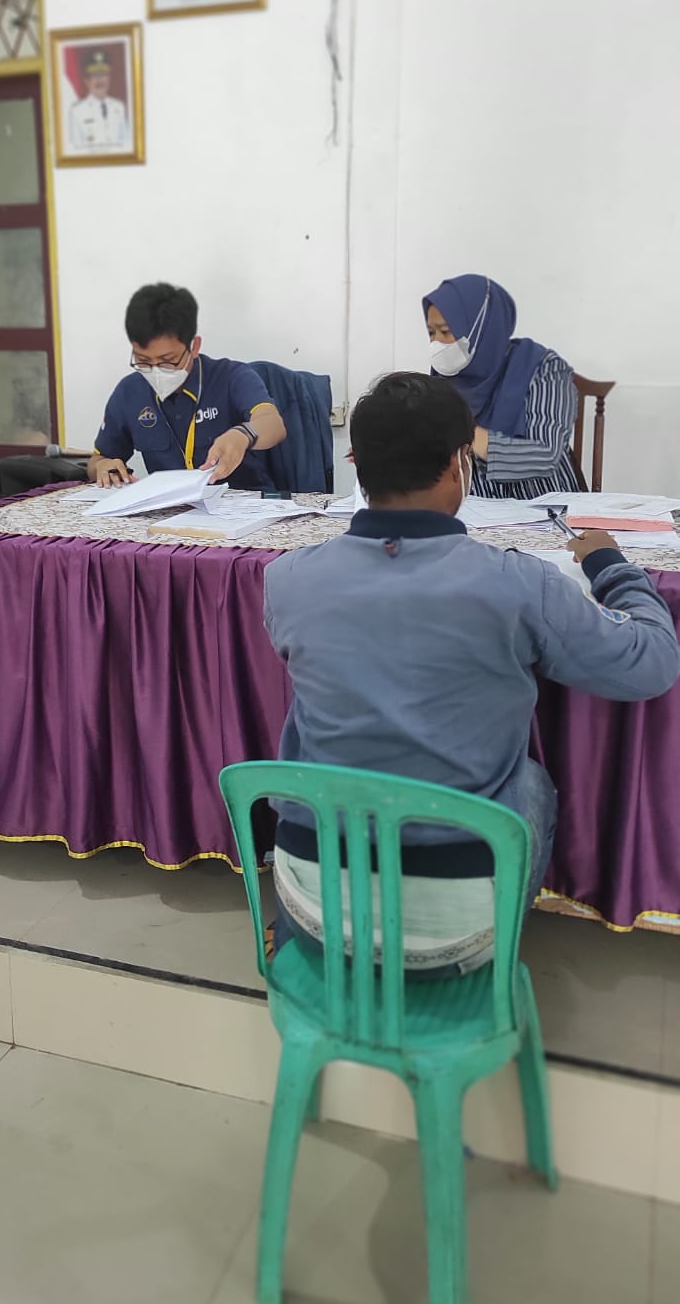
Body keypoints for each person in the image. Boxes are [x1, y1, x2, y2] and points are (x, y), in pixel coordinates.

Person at [264, 372, 680, 974]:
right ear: (460, 463)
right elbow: (652, 663)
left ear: (357, 464)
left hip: (314, 905)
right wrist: (611, 565)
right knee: (529, 782)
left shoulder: (287, 578)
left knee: (316, 731)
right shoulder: (518, 583)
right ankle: (489, 947)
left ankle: (310, 925)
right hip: (451, 935)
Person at [89, 283, 286, 491]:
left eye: (168, 361)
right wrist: (103, 466)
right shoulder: (129, 392)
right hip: (171, 505)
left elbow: (273, 424)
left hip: (241, 501)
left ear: (194, 346)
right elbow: (97, 460)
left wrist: (243, 434)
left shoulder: (231, 377)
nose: (156, 371)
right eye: (143, 361)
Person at [424, 274, 581, 500]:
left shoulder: (545, 369)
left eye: (445, 331)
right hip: (471, 506)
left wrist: (464, 434)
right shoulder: (443, 378)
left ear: (480, 327)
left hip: (541, 502)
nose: (436, 342)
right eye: (431, 332)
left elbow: (545, 454)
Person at [68, 49, 129, 152]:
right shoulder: (77, 112)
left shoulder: (119, 107)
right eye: (95, 75)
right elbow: (75, 151)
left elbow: (126, 146)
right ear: (87, 81)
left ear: (109, 78)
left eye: (103, 74)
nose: (100, 80)